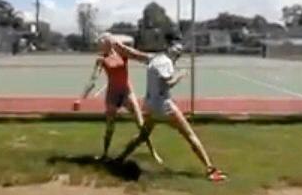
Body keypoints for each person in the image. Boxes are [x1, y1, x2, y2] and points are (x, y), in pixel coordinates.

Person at [109, 38, 227, 182]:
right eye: (177, 50)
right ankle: (210, 170)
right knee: (189, 135)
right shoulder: (167, 63)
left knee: (142, 135)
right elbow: (167, 83)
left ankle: (119, 159)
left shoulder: (154, 58)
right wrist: (181, 75)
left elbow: (133, 54)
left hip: (150, 106)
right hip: (164, 107)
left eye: (180, 51)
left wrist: (116, 45)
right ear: (169, 48)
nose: (178, 52)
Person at [74, 34, 163, 164]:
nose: (100, 45)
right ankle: (105, 154)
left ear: (108, 42)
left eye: (102, 42)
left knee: (141, 124)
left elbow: (137, 55)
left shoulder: (121, 52)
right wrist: (80, 99)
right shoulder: (101, 59)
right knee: (110, 127)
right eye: (100, 43)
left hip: (127, 92)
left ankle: (153, 152)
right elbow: (93, 80)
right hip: (112, 94)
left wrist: (156, 58)